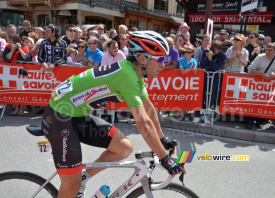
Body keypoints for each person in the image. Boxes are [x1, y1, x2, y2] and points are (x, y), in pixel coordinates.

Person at [41, 30, 184, 198]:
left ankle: (82, 179)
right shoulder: (128, 75)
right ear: (143, 59)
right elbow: (143, 123)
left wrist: (162, 140)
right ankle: (75, 184)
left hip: (78, 113)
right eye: (160, 59)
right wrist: (165, 158)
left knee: (123, 147)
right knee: (71, 186)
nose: (163, 65)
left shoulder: (135, 73)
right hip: (59, 116)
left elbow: (149, 109)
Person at [247, 43, 275, 129]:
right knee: (252, 103)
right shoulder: (260, 57)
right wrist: (261, 74)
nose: (267, 52)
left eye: (270, 50)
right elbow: (250, 69)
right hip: (256, 84)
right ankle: (250, 121)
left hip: (269, 86)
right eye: (266, 50)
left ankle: (259, 122)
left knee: (264, 104)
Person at [193, 40, 226, 123]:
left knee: (210, 98)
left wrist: (211, 59)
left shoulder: (222, 56)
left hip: (214, 79)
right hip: (204, 77)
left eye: (219, 50)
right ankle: (197, 115)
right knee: (201, 96)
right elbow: (203, 64)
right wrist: (208, 58)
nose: (217, 51)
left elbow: (216, 68)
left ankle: (206, 115)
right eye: (216, 49)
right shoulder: (206, 51)